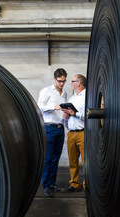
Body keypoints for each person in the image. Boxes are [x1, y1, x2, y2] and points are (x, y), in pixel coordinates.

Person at [37, 68, 68, 197]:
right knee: (48, 158)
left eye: (64, 81)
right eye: (60, 81)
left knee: (56, 158)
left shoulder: (64, 93)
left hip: (60, 128)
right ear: (54, 79)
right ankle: (45, 186)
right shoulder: (46, 91)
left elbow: (63, 109)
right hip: (49, 128)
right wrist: (54, 107)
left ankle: (52, 184)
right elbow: (39, 106)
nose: (61, 84)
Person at [60, 74, 86, 193]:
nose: (70, 83)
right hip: (71, 133)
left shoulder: (87, 96)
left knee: (87, 162)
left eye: (72, 81)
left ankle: (87, 186)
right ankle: (74, 184)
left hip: (83, 133)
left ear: (79, 83)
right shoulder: (71, 99)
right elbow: (68, 117)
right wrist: (66, 116)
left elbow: (89, 115)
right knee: (73, 161)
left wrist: (74, 114)